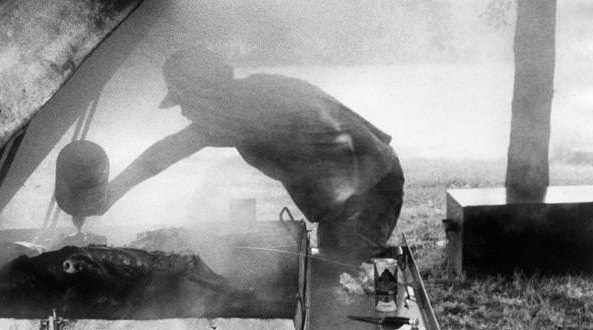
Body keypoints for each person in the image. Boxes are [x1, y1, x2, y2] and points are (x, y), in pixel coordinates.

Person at [100, 46, 404, 262]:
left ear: (202, 92)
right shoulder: (241, 103)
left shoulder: (252, 105)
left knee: (339, 276)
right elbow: (170, 149)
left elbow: (376, 155)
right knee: (333, 270)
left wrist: (111, 193)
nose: (182, 110)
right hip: (350, 201)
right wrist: (111, 193)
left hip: (370, 194)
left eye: (182, 99)